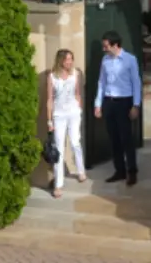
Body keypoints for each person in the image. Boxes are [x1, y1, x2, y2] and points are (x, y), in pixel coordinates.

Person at [94, 31, 142, 185]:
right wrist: (98, 104)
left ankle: (132, 170)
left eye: (106, 46)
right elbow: (101, 82)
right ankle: (119, 170)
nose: (104, 49)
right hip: (109, 101)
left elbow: (136, 82)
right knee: (114, 139)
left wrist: (136, 105)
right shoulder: (105, 60)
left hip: (124, 102)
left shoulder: (130, 60)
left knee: (126, 138)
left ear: (115, 45)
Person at [45, 49, 86, 196]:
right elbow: (49, 99)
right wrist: (49, 120)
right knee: (59, 149)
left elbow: (77, 93)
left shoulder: (76, 74)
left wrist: (79, 108)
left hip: (73, 113)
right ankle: (58, 184)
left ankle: (81, 170)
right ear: (60, 60)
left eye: (71, 59)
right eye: (67, 59)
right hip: (59, 115)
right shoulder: (52, 76)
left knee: (75, 142)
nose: (70, 62)